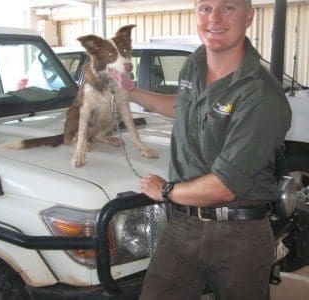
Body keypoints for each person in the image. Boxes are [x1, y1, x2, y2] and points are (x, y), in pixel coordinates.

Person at [115, 0, 292, 299]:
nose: (215, 18)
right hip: (182, 226)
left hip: (239, 236)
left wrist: (166, 191)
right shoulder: (193, 65)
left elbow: (225, 185)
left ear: (248, 17)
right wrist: (132, 93)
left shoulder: (260, 93)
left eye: (228, 7)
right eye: (205, 8)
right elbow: (183, 106)